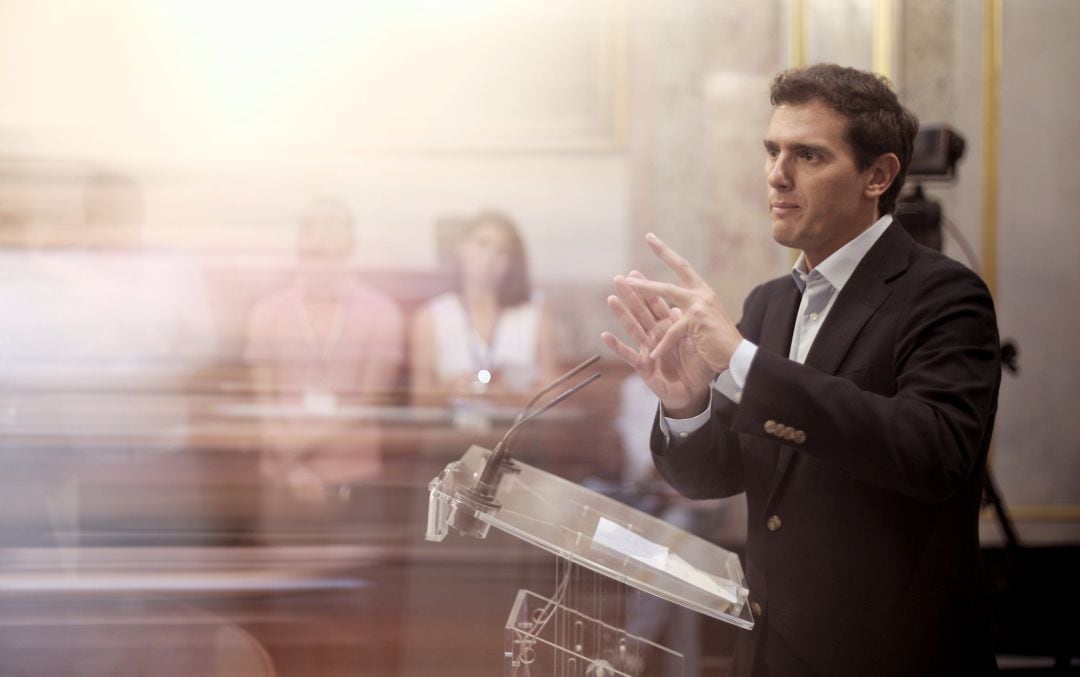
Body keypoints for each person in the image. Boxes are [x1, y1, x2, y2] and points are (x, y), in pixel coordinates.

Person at [603, 63, 1001, 676]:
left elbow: (933, 452)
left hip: (891, 656)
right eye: (772, 151)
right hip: (771, 652)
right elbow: (715, 472)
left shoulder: (944, 295)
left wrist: (741, 362)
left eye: (808, 156)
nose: (776, 175)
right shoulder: (771, 302)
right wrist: (685, 405)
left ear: (878, 175)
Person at [243, 196, 404, 527]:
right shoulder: (266, 312)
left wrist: (295, 446)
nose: (321, 236)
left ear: (353, 243)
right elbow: (264, 405)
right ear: (298, 242)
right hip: (283, 480)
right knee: (283, 577)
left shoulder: (382, 312)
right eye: (311, 227)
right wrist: (293, 469)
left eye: (333, 226)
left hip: (354, 477)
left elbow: (369, 402)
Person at [409, 209, 560, 406]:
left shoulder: (534, 310)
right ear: (461, 247)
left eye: (502, 250)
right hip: (452, 432)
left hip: (518, 431)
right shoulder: (431, 316)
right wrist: (448, 391)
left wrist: (513, 397)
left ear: (512, 261)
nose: (490, 257)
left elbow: (555, 394)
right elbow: (418, 404)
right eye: (483, 244)